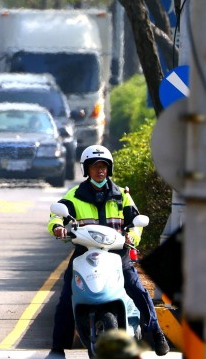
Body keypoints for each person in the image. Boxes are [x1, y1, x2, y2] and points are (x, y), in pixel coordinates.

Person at [48, 145, 169, 356]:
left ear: (109, 169)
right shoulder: (75, 195)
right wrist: (58, 228)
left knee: (137, 288)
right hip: (84, 253)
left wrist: (133, 236)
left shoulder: (122, 195)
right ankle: (58, 348)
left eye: (103, 166)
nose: (100, 170)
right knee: (67, 294)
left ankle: (156, 332)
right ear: (87, 169)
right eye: (95, 167)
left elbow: (136, 222)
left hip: (116, 254)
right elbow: (56, 215)